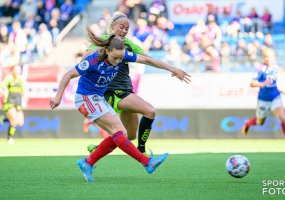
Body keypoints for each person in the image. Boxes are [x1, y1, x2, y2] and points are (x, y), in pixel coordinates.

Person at [50, 29, 191, 182]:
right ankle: (147, 162)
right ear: (107, 51)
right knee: (118, 132)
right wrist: (58, 96)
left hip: (97, 98)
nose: (118, 61)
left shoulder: (123, 55)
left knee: (121, 134)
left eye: (120, 58)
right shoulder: (93, 61)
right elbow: (68, 75)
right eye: (115, 58)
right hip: (85, 98)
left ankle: (87, 162)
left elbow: (148, 60)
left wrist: (173, 69)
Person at [86, 12, 170, 154]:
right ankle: (142, 151)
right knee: (150, 111)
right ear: (112, 26)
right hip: (112, 92)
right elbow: (86, 59)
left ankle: (97, 150)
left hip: (126, 90)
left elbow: (148, 59)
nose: (124, 31)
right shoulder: (104, 40)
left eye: (127, 28)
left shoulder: (128, 44)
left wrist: (172, 69)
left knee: (128, 135)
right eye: (121, 27)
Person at [241, 53, 285, 152]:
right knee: (260, 122)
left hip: (275, 97)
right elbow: (252, 83)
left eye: (269, 57)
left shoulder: (275, 68)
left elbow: (272, 84)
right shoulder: (260, 69)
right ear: (263, 59)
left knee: (283, 120)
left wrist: (279, 90)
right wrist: (263, 84)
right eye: (266, 57)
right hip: (263, 100)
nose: (268, 59)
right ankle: (247, 124)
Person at [0, 65, 25, 144]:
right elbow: (1, 87)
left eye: (19, 69)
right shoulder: (8, 78)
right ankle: (9, 137)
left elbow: (23, 90)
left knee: (20, 122)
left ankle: (3, 119)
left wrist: (23, 94)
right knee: (13, 121)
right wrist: (3, 92)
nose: (18, 71)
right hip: (9, 101)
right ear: (12, 70)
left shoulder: (21, 79)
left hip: (18, 102)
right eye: (16, 70)